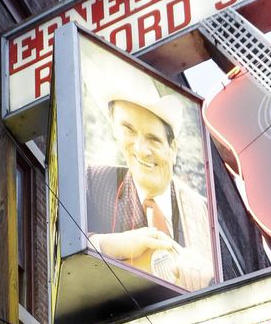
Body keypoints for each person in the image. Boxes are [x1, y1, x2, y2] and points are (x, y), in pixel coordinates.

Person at [84, 65, 215, 292]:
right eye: (129, 130)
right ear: (115, 132)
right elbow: (59, 246)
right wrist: (110, 245)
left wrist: (208, 276)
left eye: (153, 138)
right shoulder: (93, 182)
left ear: (172, 148)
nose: (141, 149)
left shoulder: (200, 210)